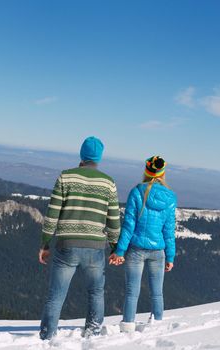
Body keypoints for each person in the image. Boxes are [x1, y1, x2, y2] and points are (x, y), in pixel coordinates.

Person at [38, 136, 121, 340]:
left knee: (56, 295)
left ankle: (47, 336)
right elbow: (113, 219)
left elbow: (53, 213)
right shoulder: (108, 183)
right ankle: (92, 333)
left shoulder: (65, 177)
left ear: (82, 155)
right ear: (99, 158)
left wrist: (45, 243)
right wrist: (115, 247)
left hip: (67, 244)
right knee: (95, 292)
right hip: (94, 247)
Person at [112, 155, 177, 333]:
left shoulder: (137, 192)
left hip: (136, 249)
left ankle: (127, 325)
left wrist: (119, 251)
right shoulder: (170, 197)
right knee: (157, 292)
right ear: (162, 174)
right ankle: (157, 323)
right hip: (158, 251)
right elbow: (169, 231)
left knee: (132, 291)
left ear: (146, 171)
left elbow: (128, 225)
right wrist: (170, 256)